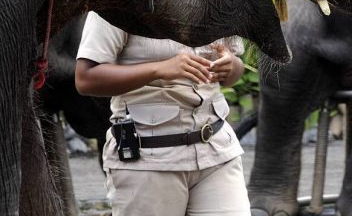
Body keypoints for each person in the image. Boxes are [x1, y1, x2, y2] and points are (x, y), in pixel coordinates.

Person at [75, 12, 251, 216]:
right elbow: (85, 78)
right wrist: (159, 69)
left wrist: (231, 67)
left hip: (217, 152)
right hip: (148, 161)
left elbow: (233, 70)